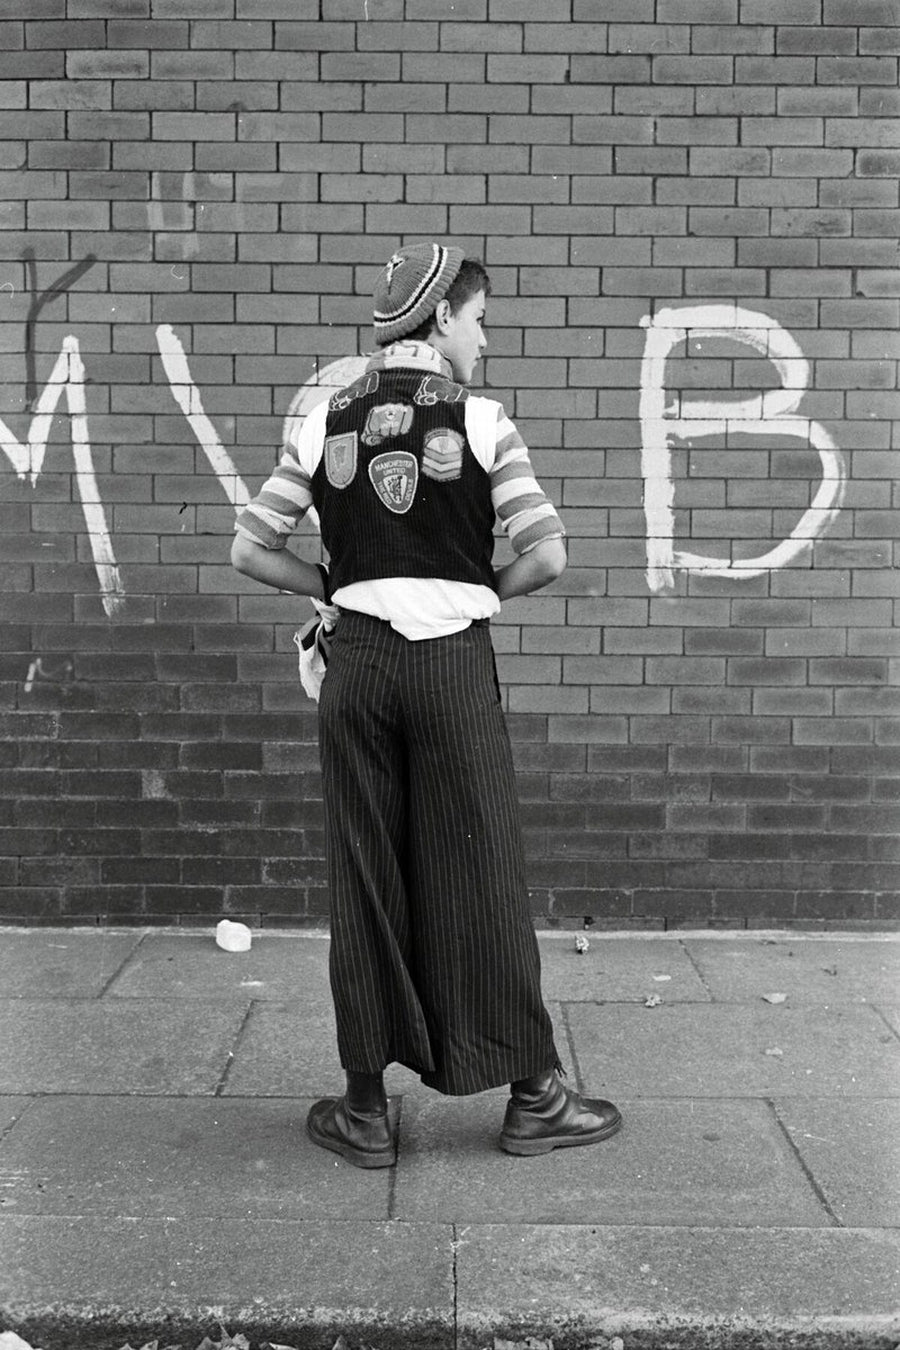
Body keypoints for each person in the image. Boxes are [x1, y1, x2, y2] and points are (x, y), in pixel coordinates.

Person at [231, 242, 622, 1167]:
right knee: (481, 872)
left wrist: (331, 585)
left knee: (365, 875)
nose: (482, 340)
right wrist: (479, 589)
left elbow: (250, 548)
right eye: (479, 321)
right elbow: (547, 553)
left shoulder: (322, 418)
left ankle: (365, 1112)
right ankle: (534, 1098)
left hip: (359, 669)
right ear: (443, 317)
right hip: (451, 669)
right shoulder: (483, 421)